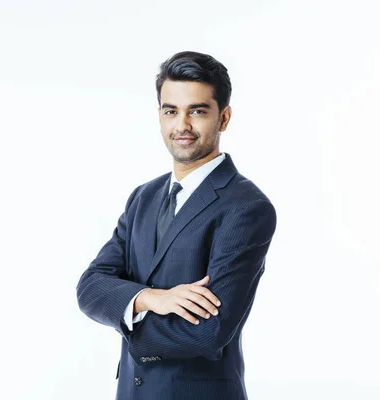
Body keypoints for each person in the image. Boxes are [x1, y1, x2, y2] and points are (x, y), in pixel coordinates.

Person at [76, 51, 278, 400]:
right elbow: (91, 287)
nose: (181, 125)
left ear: (224, 117)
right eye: (171, 111)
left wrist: (123, 317)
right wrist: (150, 298)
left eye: (197, 111)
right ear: (159, 115)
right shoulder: (144, 197)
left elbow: (209, 332)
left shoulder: (246, 207)